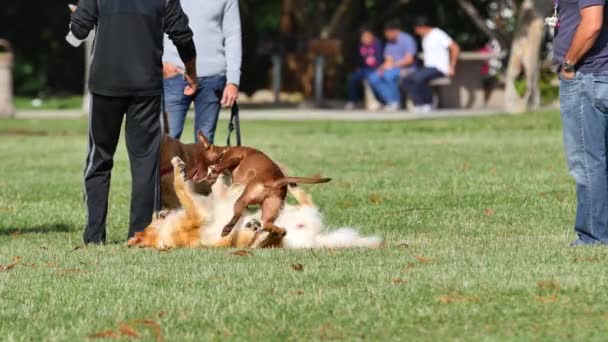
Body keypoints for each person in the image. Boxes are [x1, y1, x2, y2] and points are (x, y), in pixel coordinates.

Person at [66, 0, 197, 244]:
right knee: (146, 162)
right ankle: (141, 234)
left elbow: (75, 36)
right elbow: (182, 35)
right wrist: (191, 70)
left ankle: (94, 236)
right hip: (146, 88)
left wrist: (77, 17)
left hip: (105, 86)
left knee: (99, 159)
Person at [554, 0, 608, 246]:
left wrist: (569, 63)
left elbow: (593, 23)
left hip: (589, 76)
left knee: (587, 161)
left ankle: (593, 237)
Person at [163, 0, 242, 143]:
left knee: (204, 144)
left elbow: (233, 36)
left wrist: (233, 81)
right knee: (167, 140)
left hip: (213, 77)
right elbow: (152, 23)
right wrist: (161, 62)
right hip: (175, 74)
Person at [402, 16, 460, 113]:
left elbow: (455, 47)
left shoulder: (437, 34)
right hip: (428, 68)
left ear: (421, 27)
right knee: (406, 79)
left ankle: (428, 103)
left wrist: (452, 66)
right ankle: (419, 104)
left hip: (439, 68)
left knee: (418, 78)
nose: (416, 32)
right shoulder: (425, 37)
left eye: (416, 29)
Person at [367, 20, 417, 111]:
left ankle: (395, 102)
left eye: (388, 33)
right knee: (373, 77)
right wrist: (382, 68)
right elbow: (388, 60)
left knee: (388, 76)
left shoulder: (407, 39)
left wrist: (393, 65)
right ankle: (387, 101)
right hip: (393, 68)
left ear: (395, 31)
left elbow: (409, 60)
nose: (386, 35)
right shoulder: (389, 43)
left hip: (407, 68)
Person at [345, 27, 383, 110]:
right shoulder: (360, 45)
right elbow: (358, 59)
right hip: (363, 69)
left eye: (367, 36)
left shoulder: (377, 44)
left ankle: (377, 101)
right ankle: (353, 101)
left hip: (374, 69)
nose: (364, 39)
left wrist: (379, 69)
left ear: (372, 36)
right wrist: (357, 68)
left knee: (372, 79)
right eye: (363, 37)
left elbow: (380, 59)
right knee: (352, 78)